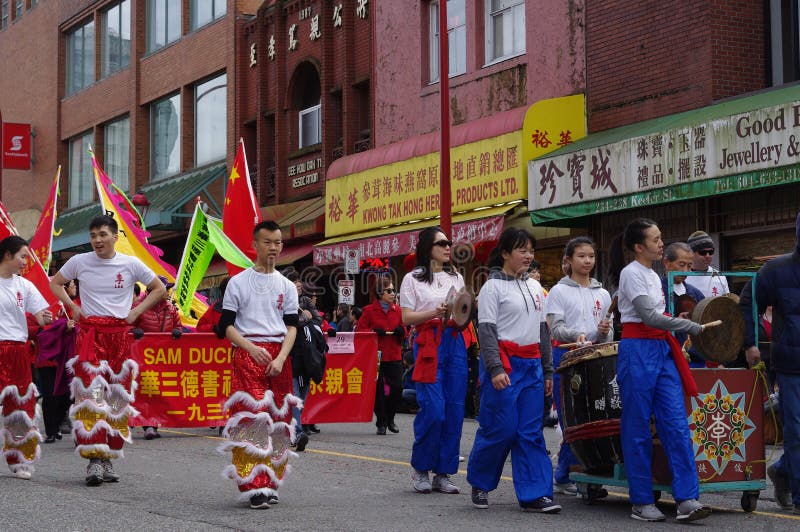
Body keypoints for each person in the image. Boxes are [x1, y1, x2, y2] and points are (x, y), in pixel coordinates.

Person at [608, 218, 711, 522]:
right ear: (639, 247)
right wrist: (689, 325)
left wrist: (679, 322)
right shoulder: (631, 274)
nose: (660, 243)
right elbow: (648, 317)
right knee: (637, 425)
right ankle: (641, 500)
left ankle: (687, 498)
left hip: (662, 350)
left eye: (660, 238)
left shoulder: (655, 275)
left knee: (676, 423)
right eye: (655, 239)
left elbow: (659, 317)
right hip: (637, 350)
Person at [49, 215, 166, 486]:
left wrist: (135, 311)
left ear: (115, 236)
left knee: (116, 398)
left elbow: (158, 289)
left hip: (118, 337)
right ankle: (93, 460)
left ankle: (109, 455)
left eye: (103, 234)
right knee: (91, 396)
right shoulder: (80, 261)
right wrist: (74, 307)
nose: (98, 240)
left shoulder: (130, 263)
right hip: (90, 335)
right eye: (93, 236)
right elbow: (55, 282)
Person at [466, 228, 560, 513]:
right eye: (522, 250)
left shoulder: (534, 287)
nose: (528, 256)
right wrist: (494, 368)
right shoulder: (492, 287)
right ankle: (481, 482)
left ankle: (535, 494)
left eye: (531, 250)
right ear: (505, 253)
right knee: (500, 428)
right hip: (504, 364)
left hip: (531, 366)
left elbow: (543, 332)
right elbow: (486, 331)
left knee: (530, 431)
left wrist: (547, 371)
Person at [216, 220, 300, 510]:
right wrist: (250, 348)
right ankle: (253, 485)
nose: (274, 247)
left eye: (278, 242)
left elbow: (292, 326)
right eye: (268, 242)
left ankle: (271, 481)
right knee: (252, 420)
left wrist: (280, 357)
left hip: (279, 357)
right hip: (248, 353)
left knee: (278, 422)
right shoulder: (238, 283)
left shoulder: (287, 285)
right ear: (255, 245)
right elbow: (225, 326)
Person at [399, 226, 467, 495]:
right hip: (428, 342)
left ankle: (444, 472)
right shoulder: (412, 279)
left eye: (449, 243)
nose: (448, 247)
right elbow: (405, 318)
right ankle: (421, 468)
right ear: (428, 248)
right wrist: (433, 312)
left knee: (454, 410)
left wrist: (462, 313)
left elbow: (462, 314)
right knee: (434, 409)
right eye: (442, 243)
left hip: (455, 342)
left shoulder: (456, 277)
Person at [544, 236, 612, 496]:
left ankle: (582, 476)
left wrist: (602, 331)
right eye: (582, 256)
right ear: (569, 260)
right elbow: (557, 328)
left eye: (591, 256)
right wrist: (578, 336)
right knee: (573, 422)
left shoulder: (603, 293)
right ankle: (565, 475)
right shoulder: (559, 292)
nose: (587, 261)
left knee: (596, 421)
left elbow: (606, 334)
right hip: (568, 362)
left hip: (597, 362)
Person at [753, 211, 800, 514]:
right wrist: (751, 344)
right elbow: (749, 304)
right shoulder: (777, 270)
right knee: (796, 428)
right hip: (791, 363)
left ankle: (783, 469)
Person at [0, 236, 53, 479]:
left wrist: (45, 318)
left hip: (19, 351)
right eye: (22, 256)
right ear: (8, 255)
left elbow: (40, 314)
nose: (25, 262)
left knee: (21, 406)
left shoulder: (25, 285)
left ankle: (19, 459)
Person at [133, 276, 182, 440]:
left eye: (167, 289)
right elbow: (127, 324)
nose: (167, 292)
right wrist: (134, 332)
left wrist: (178, 332)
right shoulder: (139, 307)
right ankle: (149, 425)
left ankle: (156, 422)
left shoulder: (170, 308)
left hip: (164, 358)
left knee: (161, 390)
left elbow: (178, 325)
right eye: (164, 289)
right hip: (144, 357)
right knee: (148, 391)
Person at [359, 275, 406, 435]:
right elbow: (359, 331)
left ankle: (391, 417)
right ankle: (381, 421)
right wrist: (372, 332)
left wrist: (402, 331)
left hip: (394, 354)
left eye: (394, 290)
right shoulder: (369, 311)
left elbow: (404, 330)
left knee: (397, 388)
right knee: (377, 391)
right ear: (380, 293)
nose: (393, 293)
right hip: (376, 356)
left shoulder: (398, 310)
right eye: (389, 290)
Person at [285, 271, 318, 449]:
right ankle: (297, 433)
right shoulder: (281, 302)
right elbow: (287, 323)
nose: (298, 286)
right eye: (294, 283)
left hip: (308, 358)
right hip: (290, 356)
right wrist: (304, 317)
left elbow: (318, 319)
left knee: (302, 397)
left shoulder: (305, 302)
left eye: (299, 283)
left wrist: (306, 317)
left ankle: (292, 430)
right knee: (296, 397)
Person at [660, 242, 706, 368]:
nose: (686, 270)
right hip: (667, 359)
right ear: (666, 262)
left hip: (696, 360)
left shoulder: (695, 293)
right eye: (681, 265)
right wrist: (674, 323)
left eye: (689, 266)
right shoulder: (656, 291)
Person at [685, 231, 729, 298]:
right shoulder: (682, 277)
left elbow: (727, 302)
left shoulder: (720, 277)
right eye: (703, 252)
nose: (708, 256)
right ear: (691, 253)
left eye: (711, 252)